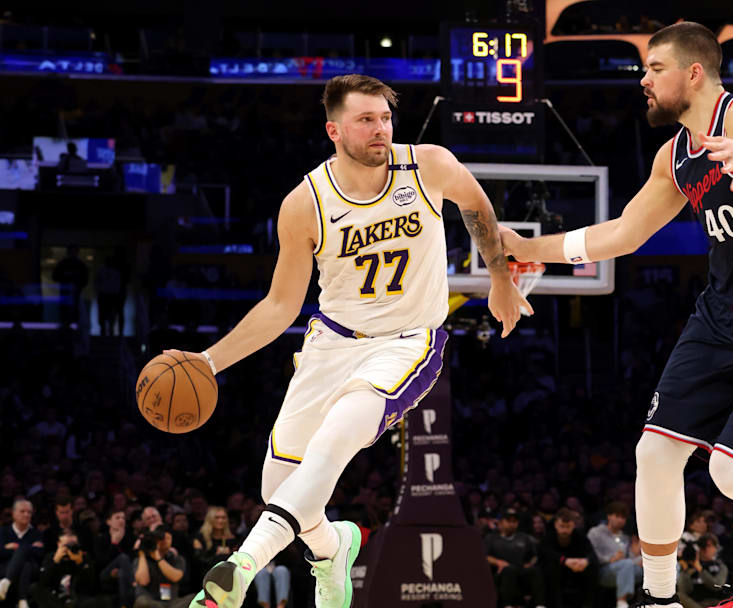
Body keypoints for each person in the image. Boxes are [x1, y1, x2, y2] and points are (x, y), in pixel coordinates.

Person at [500, 21, 733, 608]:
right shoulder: (675, 157)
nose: (643, 79)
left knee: (732, 476)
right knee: (654, 453)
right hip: (721, 316)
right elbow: (624, 233)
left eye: (654, 68)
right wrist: (531, 249)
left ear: (693, 72)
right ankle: (659, 598)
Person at [166, 73, 529, 608]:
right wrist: (207, 361)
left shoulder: (428, 165)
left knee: (337, 438)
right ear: (334, 129)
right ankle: (334, 549)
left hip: (406, 342)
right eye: (366, 120)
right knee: (280, 489)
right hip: (331, 344)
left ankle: (238, 569)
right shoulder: (304, 203)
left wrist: (500, 277)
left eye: (385, 117)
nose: (380, 129)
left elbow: (478, 210)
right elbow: (279, 306)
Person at [484, 508, 546, 608]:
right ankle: (507, 605)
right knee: (509, 570)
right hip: (500, 573)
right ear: (500, 522)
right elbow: (484, 556)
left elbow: (535, 556)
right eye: (509, 521)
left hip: (521, 571)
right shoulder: (491, 538)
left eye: (515, 521)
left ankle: (540, 605)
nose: (512, 524)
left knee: (536, 571)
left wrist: (530, 563)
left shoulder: (524, 537)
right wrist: (497, 562)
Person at [31, 529, 108, 608]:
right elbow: (43, 583)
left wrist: (80, 563)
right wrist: (55, 561)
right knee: (34, 588)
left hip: (78, 600)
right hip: (56, 599)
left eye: (73, 545)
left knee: (103, 600)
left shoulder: (83, 557)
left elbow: (90, 585)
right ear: (58, 544)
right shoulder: (50, 557)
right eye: (66, 546)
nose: (69, 549)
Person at [539, 508, 597, 608]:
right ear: (555, 524)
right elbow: (546, 554)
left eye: (568, 527)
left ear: (573, 525)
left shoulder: (580, 536)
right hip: (555, 570)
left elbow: (592, 554)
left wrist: (585, 561)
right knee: (552, 567)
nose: (565, 530)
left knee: (593, 568)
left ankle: (588, 605)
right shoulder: (548, 537)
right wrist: (564, 561)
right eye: (562, 526)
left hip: (576, 569)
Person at [587, 502, 642, 608]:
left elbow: (629, 559)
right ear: (609, 516)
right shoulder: (595, 532)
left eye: (623, 517)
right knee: (626, 565)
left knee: (649, 565)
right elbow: (590, 554)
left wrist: (640, 559)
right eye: (617, 516)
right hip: (603, 570)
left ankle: (657, 599)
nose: (620, 520)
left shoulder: (625, 537)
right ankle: (621, 601)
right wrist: (610, 559)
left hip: (624, 569)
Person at [0, 499, 45, 608]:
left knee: (27, 562)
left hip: (33, 570)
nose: (26, 514)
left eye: (29, 512)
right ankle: (23, 600)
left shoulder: (37, 533)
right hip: (6, 567)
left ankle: (6, 582)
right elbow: (0, 552)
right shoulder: (3, 531)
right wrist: (30, 548)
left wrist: (15, 548)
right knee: (25, 563)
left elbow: (40, 553)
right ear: (13, 513)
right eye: (22, 511)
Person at [134, 528, 193, 608]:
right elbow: (143, 581)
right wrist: (142, 553)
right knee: (142, 602)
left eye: (167, 538)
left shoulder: (177, 559)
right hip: (149, 601)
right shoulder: (141, 559)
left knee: (194, 598)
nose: (164, 541)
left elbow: (175, 577)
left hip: (171, 603)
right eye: (161, 538)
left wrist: (158, 557)